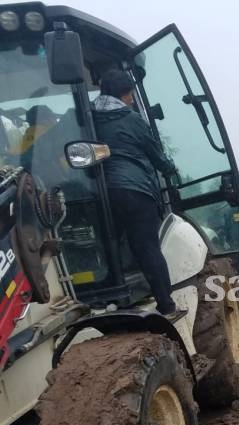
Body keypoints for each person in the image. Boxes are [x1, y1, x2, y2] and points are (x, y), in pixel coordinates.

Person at [92, 69, 179, 317]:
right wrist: (171, 168)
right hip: (135, 191)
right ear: (126, 93)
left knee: (107, 243)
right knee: (147, 246)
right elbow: (157, 155)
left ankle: (106, 299)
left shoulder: (86, 116)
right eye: (130, 95)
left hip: (98, 193)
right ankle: (166, 304)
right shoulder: (132, 119)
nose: (131, 100)